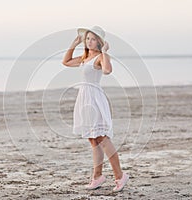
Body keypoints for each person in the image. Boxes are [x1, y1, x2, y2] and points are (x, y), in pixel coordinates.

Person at [62, 26, 129, 192]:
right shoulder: (85, 57)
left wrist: (105, 52)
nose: (89, 41)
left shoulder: (100, 57)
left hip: (95, 99)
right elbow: (66, 62)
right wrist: (75, 42)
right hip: (84, 98)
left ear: (99, 42)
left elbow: (107, 70)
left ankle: (120, 176)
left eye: (92, 39)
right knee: (93, 139)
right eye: (87, 38)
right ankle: (97, 176)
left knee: (102, 138)